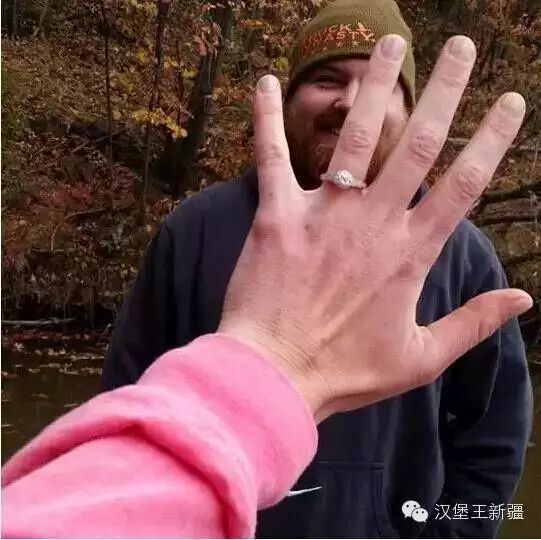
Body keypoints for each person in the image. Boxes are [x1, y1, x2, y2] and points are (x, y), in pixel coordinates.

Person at [1, 34, 532, 537]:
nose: (352, 102)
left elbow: (495, 438)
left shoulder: (462, 254)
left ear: (410, 114)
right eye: (326, 79)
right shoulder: (196, 228)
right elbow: (126, 395)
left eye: (380, 84)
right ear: (290, 99)